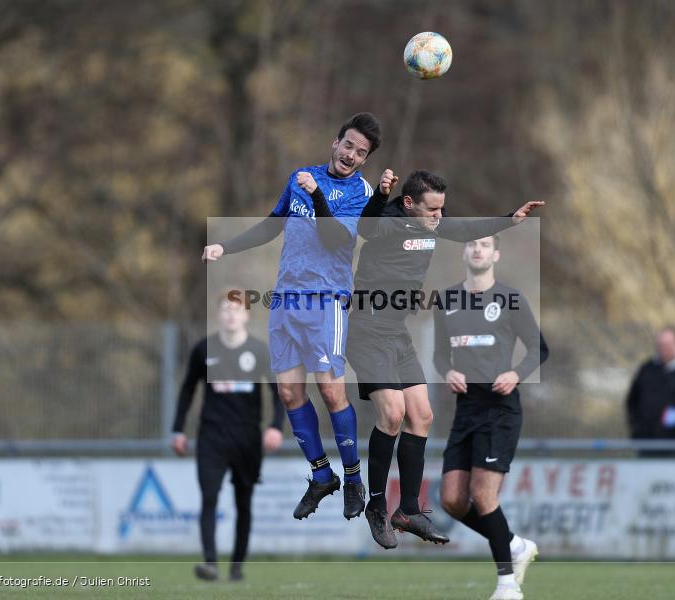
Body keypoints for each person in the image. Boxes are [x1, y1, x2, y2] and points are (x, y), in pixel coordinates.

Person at [347, 169, 544, 549]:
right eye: (433, 209)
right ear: (409, 204)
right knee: (393, 414)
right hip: (368, 330)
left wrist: (510, 219)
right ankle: (376, 506)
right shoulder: (388, 221)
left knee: (422, 415)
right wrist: (379, 196)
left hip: (397, 332)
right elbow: (366, 229)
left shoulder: (433, 224)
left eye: (442, 209)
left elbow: (466, 229)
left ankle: (407, 510)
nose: (440, 216)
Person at [201, 113, 383, 520]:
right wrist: (224, 247)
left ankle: (353, 478)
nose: (352, 155)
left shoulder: (361, 193)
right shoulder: (301, 177)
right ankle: (322, 475)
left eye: (361, 153)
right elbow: (272, 226)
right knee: (288, 394)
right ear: (335, 143)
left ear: (365, 160)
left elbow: (334, 238)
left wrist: (318, 196)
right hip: (286, 300)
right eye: (348, 145)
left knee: (331, 391)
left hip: (326, 301)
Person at [434, 235, 547, 600]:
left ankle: (507, 585)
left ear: (495, 254)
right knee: (452, 499)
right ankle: (514, 544)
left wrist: (516, 373)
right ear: (464, 252)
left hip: (500, 410)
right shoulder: (446, 300)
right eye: (471, 244)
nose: (477, 249)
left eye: (484, 245)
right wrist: (447, 371)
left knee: (483, 495)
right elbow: (439, 355)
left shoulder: (510, 299)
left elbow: (539, 348)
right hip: (466, 410)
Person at [171, 294, 284, 582]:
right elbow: (187, 389)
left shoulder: (259, 351)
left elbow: (278, 392)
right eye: (226, 309)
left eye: (237, 310)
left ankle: (236, 567)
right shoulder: (203, 350)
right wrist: (178, 429)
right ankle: (210, 564)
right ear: (219, 315)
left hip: (247, 437)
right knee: (209, 496)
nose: (231, 315)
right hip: (212, 436)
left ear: (246, 315)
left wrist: (275, 427)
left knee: (243, 502)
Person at [625, 326, 675, 457]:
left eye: (667, 345)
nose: (663, 349)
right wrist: (637, 430)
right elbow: (632, 401)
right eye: (660, 345)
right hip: (648, 444)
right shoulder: (647, 369)